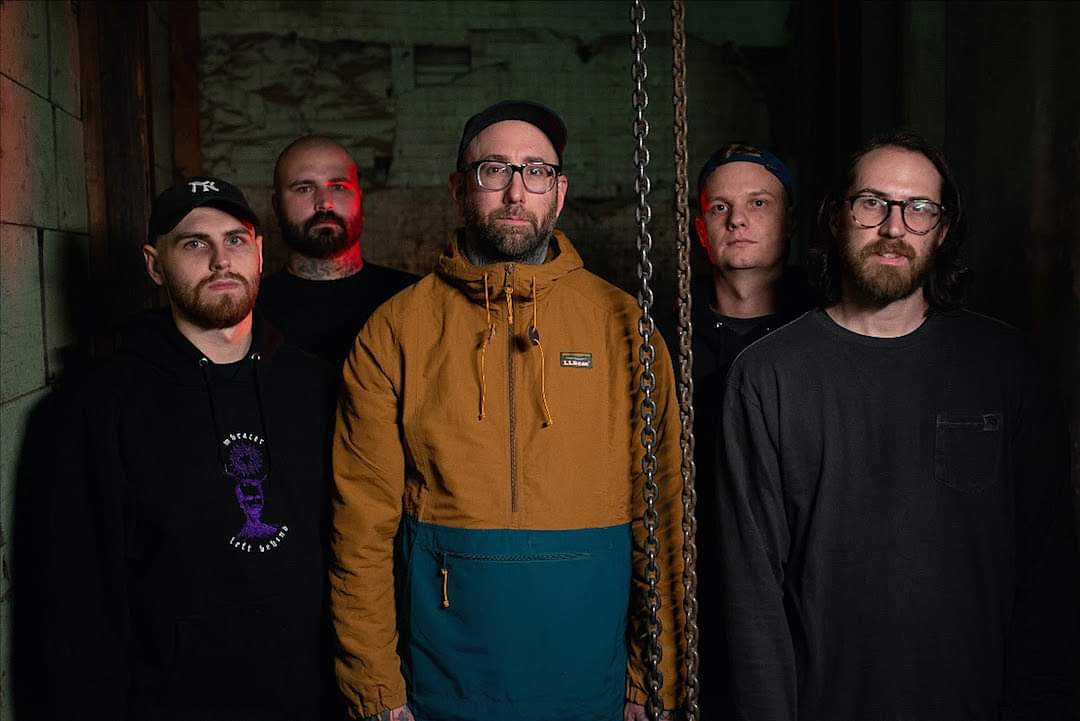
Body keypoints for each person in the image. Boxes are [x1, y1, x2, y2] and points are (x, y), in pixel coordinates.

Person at [331, 100, 686, 721]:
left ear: (559, 192)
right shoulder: (397, 331)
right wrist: (376, 689)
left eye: (536, 171)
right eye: (493, 169)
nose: (516, 191)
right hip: (443, 680)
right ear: (458, 190)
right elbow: (360, 525)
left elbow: (662, 515)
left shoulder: (625, 327)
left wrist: (652, 677)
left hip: (591, 680)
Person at [716, 131, 1077, 720]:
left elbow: (1047, 571)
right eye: (872, 203)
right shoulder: (767, 376)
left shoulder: (1007, 367)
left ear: (941, 228)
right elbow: (752, 593)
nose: (893, 227)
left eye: (918, 208)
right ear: (837, 217)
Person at [40, 177, 341, 720]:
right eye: (195, 243)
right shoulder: (102, 402)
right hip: (172, 703)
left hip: (314, 699)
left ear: (259, 252)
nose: (221, 260)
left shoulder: (318, 386)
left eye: (235, 240)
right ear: (155, 265)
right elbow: (80, 595)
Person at [683, 143, 812, 718]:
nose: (737, 219)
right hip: (697, 583)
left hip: (798, 585)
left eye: (758, 203)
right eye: (720, 207)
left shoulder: (828, 327)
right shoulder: (662, 333)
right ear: (701, 229)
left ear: (789, 222)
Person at [259, 135, 416, 368]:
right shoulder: (250, 311)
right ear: (276, 205)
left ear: (360, 199)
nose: (325, 203)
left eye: (338, 187)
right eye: (304, 188)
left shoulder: (413, 298)